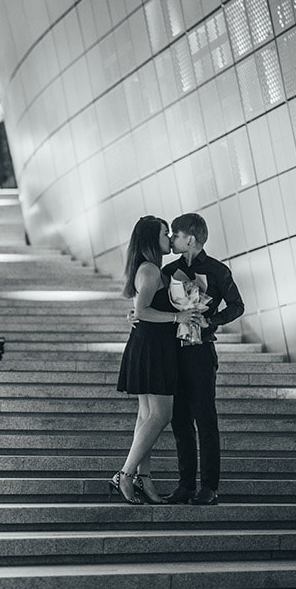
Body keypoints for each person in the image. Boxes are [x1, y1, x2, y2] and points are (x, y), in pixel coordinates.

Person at [112, 216, 198, 505]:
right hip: (151, 349)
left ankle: (143, 478)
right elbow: (144, 310)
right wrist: (178, 317)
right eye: (165, 233)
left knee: (147, 416)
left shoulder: (152, 269)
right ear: (152, 239)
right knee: (161, 415)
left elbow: (139, 311)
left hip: (153, 346)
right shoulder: (149, 270)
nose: (170, 236)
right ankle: (124, 474)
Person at [161, 213, 245, 506]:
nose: (172, 239)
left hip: (201, 351)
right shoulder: (169, 271)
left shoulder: (217, 270)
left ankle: (209, 487)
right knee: (179, 419)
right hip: (173, 352)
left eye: (176, 234)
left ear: (191, 239)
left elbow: (238, 306)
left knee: (205, 418)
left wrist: (213, 321)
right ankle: (185, 485)